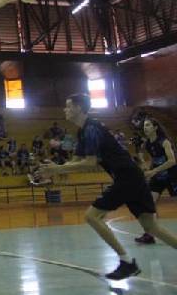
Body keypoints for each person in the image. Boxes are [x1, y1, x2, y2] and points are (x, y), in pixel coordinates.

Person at [38, 94, 177, 280]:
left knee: (92, 216)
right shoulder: (83, 131)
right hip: (132, 177)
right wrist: (55, 169)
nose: (65, 110)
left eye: (68, 106)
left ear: (79, 108)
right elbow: (77, 160)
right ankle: (127, 263)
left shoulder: (92, 129)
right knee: (151, 227)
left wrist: (57, 169)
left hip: (126, 178)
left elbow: (90, 162)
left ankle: (126, 262)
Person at [135, 118, 177, 245]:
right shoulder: (147, 143)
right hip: (158, 177)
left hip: (173, 176)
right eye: (144, 126)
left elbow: (172, 161)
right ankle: (150, 234)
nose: (145, 128)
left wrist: (154, 171)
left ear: (155, 127)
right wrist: (148, 168)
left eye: (148, 125)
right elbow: (154, 158)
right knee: (149, 203)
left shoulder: (164, 142)